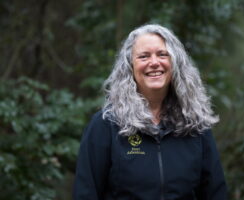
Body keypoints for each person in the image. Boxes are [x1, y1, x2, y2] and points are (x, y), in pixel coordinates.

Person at [73, 24, 227, 200]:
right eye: (144, 56)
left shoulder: (195, 124)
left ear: (175, 63)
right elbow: (85, 193)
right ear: (129, 66)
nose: (154, 62)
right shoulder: (105, 125)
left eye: (162, 54)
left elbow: (216, 193)